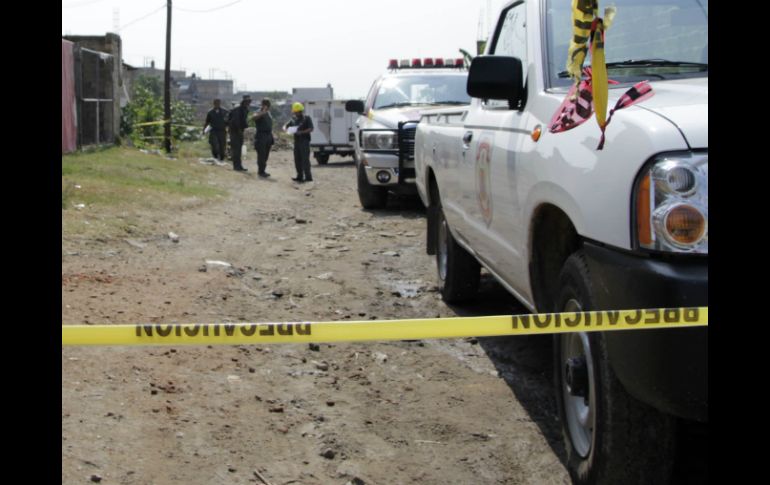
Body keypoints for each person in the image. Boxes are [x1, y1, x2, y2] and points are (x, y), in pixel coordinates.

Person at [283, 102, 314, 183]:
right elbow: (285, 126)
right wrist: (286, 129)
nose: (295, 114)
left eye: (297, 112)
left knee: (305, 160)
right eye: (295, 112)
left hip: (304, 142)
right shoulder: (293, 119)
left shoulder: (307, 118)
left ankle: (308, 177)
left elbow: (311, 128)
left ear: (300, 111)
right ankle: (299, 176)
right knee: (297, 160)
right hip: (296, 142)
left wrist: (301, 132)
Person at [251, 99, 274, 178]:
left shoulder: (268, 113)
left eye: (268, 105)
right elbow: (253, 118)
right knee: (261, 154)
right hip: (261, 136)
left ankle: (263, 170)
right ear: (263, 105)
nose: (268, 106)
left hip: (268, 136)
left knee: (266, 154)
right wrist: (262, 113)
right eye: (266, 104)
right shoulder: (258, 111)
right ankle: (260, 171)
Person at [228, 95, 251, 172]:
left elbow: (243, 120)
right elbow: (235, 121)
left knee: (239, 149)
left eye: (249, 101)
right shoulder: (238, 109)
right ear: (244, 101)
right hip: (235, 131)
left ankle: (239, 165)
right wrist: (239, 130)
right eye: (247, 101)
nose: (249, 102)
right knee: (236, 149)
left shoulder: (245, 109)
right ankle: (236, 166)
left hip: (240, 131)